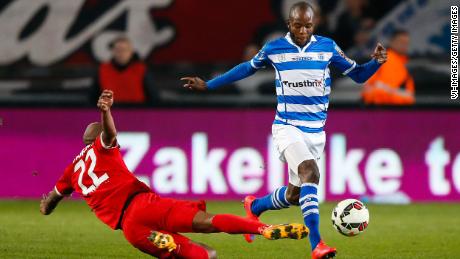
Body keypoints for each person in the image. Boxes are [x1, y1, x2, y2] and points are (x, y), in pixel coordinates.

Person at [181, 2, 387, 258]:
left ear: (315, 24)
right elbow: (247, 68)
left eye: (308, 25)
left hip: (315, 131)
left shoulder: (327, 47)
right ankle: (317, 244)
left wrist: (376, 63)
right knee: (311, 173)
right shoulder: (275, 48)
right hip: (287, 127)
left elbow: (357, 75)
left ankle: (255, 206)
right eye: (298, 25)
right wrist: (210, 85)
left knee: (294, 194)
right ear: (289, 24)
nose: (303, 30)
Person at [40, 90, 308, 259]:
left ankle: (166, 241)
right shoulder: (103, 147)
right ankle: (263, 228)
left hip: (131, 229)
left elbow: (52, 199)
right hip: (144, 205)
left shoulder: (72, 171)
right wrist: (107, 112)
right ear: (96, 140)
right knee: (209, 221)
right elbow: (110, 135)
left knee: (205, 256)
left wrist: (46, 206)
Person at [97, 36, 157, 105]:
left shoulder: (141, 69)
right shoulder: (103, 70)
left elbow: (153, 96)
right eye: (118, 50)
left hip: (137, 111)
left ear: (131, 52)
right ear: (113, 51)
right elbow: (94, 97)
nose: (121, 53)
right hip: (110, 111)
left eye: (124, 50)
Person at [362, 29, 415, 105]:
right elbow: (383, 91)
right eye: (401, 42)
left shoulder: (399, 61)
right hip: (385, 109)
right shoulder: (389, 60)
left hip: (386, 107)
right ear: (392, 42)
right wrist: (407, 99)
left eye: (406, 43)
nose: (404, 45)